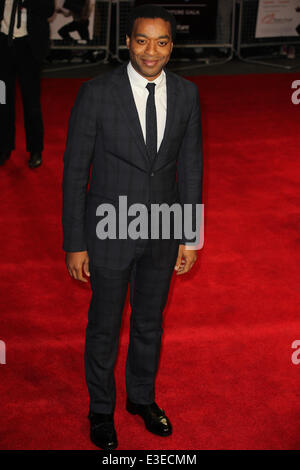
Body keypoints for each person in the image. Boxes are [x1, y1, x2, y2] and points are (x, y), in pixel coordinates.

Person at [62, 4, 203, 450]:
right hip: (107, 230)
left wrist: (190, 233)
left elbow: (192, 168)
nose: (151, 51)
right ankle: (101, 409)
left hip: (162, 231)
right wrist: (74, 241)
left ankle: (141, 398)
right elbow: (74, 171)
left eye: (162, 42)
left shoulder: (187, 94)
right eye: (142, 40)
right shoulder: (96, 92)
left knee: (149, 324)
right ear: (127, 42)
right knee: (104, 326)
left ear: (172, 47)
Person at [0, 0, 55, 168]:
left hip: (29, 47)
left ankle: (35, 149)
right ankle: (3, 147)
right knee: (2, 100)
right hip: (3, 45)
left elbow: (48, 9)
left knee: (31, 102)